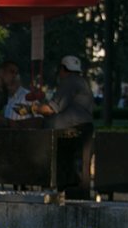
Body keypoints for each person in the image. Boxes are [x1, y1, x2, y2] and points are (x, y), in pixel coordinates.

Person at [38, 55, 97, 193]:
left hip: (74, 132)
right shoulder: (81, 82)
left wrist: (33, 108)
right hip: (81, 130)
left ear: (63, 69)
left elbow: (51, 109)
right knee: (78, 170)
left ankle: (71, 199)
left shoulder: (69, 82)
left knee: (71, 170)